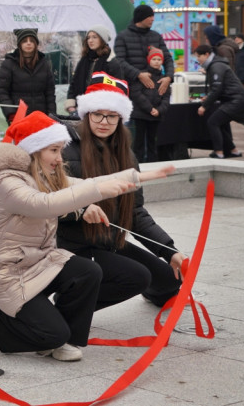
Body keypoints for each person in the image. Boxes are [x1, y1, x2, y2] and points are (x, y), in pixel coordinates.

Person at [0, 111, 172, 361]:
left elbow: (85, 183)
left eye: (60, 150)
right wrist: (95, 192)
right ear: (35, 149)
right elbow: (42, 203)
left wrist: (134, 177)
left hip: (40, 262)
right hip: (9, 273)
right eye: (54, 150)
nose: (59, 158)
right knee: (51, 333)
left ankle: (65, 338)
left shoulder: (46, 175)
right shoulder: (8, 179)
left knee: (88, 271)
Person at [59, 72, 183, 310]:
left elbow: (135, 211)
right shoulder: (64, 148)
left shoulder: (126, 154)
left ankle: (150, 291)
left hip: (109, 240)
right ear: (86, 114)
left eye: (111, 116)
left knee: (170, 279)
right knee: (136, 276)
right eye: (97, 114)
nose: (104, 121)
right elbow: (46, 201)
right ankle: (69, 307)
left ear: (120, 118)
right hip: (73, 243)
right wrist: (82, 208)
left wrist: (169, 250)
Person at [193, 44, 244, 159]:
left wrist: (204, 106)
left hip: (235, 100)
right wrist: (208, 97)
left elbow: (216, 89)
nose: (197, 59)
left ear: (207, 55)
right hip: (236, 99)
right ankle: (233, 150)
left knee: (213, 122)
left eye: (199, 56)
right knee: (221, 123)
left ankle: (219, 152)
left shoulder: (216, 66)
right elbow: (219, 88)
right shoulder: (215, 65)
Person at [64, 24, 131, 115]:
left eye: (94, 37)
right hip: (81, 109)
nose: (90, 40)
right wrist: (71, 106)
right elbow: (74, 83)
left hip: (102, 112)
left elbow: (117, 90)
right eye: (88, 38)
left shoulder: (111, 62)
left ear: (102, 40)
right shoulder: (84, 60)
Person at [114, 4, 175, 100]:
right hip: (132, 91)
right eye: (150, 16)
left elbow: (168, 59)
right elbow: (119, 61)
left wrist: (169, 77)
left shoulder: (156, 36)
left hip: (155, 91)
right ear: (141, 17)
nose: (153, 19)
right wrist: (138, 74)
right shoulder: (122, 37)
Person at [0, 27, 56, 121]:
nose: (28, 43)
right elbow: (2, 91)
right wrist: (11, 114)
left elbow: (50, 93)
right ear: (19, 44)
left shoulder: (44, 64)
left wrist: (52, 115)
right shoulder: (8, 64)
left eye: (32, 40)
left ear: (36, 44)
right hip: (18, 117)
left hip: (41, 117)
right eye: (25, 41)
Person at [129, 48, 170, 163]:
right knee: (139, 142)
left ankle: (153, 164)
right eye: (154, 59)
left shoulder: (164, 79)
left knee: (153, 142)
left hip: (156, 116)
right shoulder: (142, 76)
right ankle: (138, 164)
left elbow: (166, 98)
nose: (156, 61)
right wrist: (150, 108)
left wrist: (159, 110)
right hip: (141, 114)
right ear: (149, 60)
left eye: (159, 59)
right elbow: (136, 94)